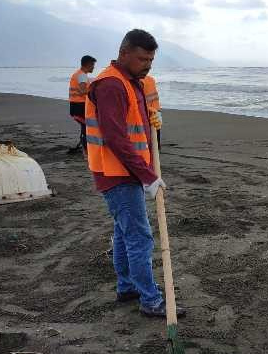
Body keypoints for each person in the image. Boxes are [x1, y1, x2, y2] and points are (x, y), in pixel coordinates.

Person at [85, 29, 182, 318]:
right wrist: (148, 176)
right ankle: (150, 300)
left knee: (124, 231)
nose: (148, 65)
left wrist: (153, 119)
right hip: (118, 173)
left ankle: (127, 286)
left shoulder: (131, 81)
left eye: (151, 60)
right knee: (140, 237)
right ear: (124, 53)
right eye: (142, 59)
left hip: (128, 171)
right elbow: (116, 138)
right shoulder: (111, 85)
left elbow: (133, 127)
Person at [68, 55, 96, 154]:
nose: (93, 67)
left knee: (85, 127)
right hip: (79, 106)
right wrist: (95, 90)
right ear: (88, 64)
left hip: (74, 106)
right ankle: (86, 151)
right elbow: (83, 90)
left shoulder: (78, 74)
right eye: (92, 65)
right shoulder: (82, 75)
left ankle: (85, 148)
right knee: (87, 127)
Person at [142, 75, 163, 150]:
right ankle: (157, 147)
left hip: (147, 109)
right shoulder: (151, 80)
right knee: (157, 128)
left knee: (147, 130)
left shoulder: (140, 81)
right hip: (156, 107)